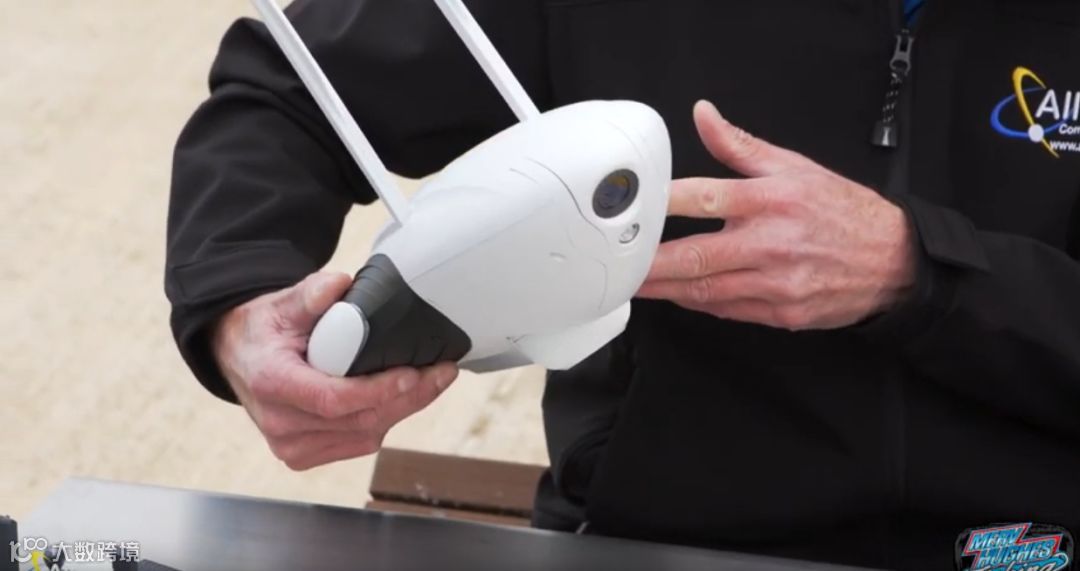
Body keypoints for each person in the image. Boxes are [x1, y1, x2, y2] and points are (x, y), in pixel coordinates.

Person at [165, 0, 1080, 568]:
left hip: (1033, 548)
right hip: (659, 539)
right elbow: (284, 89)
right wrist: (238, 306)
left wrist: (918, 270)